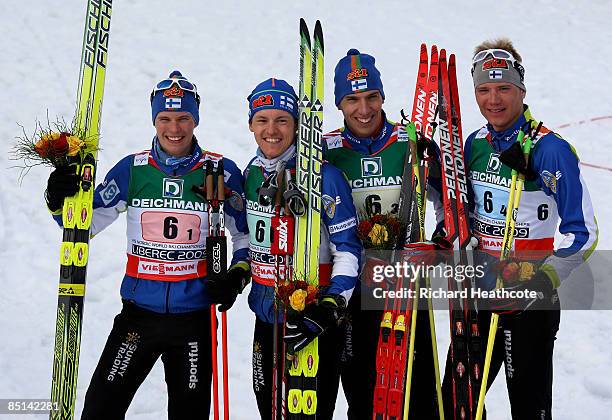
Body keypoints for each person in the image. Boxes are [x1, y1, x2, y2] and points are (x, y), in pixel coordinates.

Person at [44, 70, 250, 419]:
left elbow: (244, 235)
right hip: (138, 316)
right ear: (154, 119)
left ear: (195, 120)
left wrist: (236, 276)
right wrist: (57, 197)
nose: (174, 128)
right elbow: (83, 225)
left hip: (193, 322)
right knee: (99, 410)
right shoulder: (133, 170)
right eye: (165, 118)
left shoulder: (221, 171)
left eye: (184, 118)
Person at [445, 38, 598, 419]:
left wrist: (544, 280)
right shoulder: (475, 143)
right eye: (484, 89)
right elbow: (464, 212)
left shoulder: (551, 149)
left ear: (521, 90)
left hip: (528, 300)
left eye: (503, 88)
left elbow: (584, 233)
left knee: (529, 409)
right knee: (455, 403)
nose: (493, 99)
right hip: (478, 293)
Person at [323, 49, 445, 419]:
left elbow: (449, 207)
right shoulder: (326, 152)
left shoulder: (412, 144)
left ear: (382, 97)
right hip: (355, 293)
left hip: (406, 290)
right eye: (352, 99)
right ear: (339, 104)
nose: (364, 109)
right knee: (362, 395)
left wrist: (437, 244)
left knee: (421, 394)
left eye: (371, 97)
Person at [233, 77, 361, 419]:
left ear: (296, 125)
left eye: (282, 120)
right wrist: (236, 272)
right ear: (250, 125)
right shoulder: (251, 174)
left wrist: (332, 303)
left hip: (311, 322)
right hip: (265, 317)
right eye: (262, 120)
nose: (271, 130)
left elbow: (348, 250)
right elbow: (247, 239)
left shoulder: (325, 177)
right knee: (269, 413)